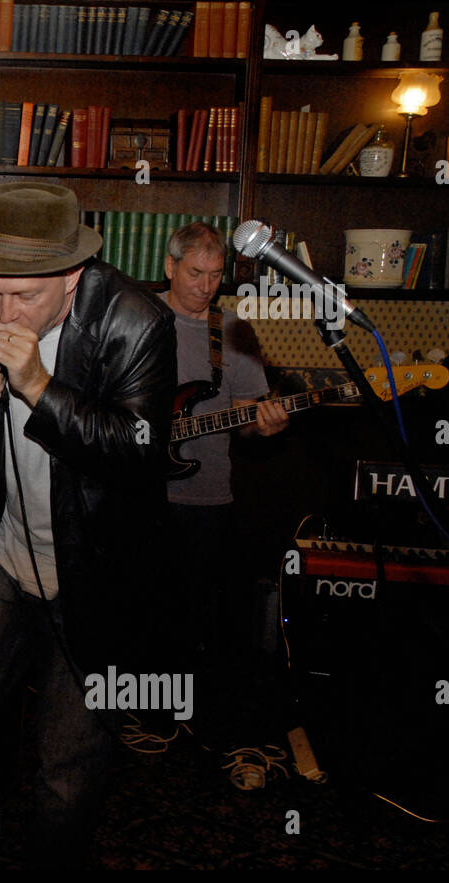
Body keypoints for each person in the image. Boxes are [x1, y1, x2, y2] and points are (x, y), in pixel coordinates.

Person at [0, 182, 177, 868]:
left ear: (73, 275)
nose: (2, 311)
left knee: (67, 770)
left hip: (93, 577)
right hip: (5, 559)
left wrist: (39, 386)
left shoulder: (137, 321)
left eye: (23, 297)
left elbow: (137, 451)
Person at [160, 221, 288, 664]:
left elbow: (248, 417)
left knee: (195, 615)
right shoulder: (138, 318)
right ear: (170, 266)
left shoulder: (233, 331)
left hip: (206, 497)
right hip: (139, 494)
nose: (206, 286)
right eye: (196, 273)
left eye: (215, 275)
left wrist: (264, 425)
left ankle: (187, 714)